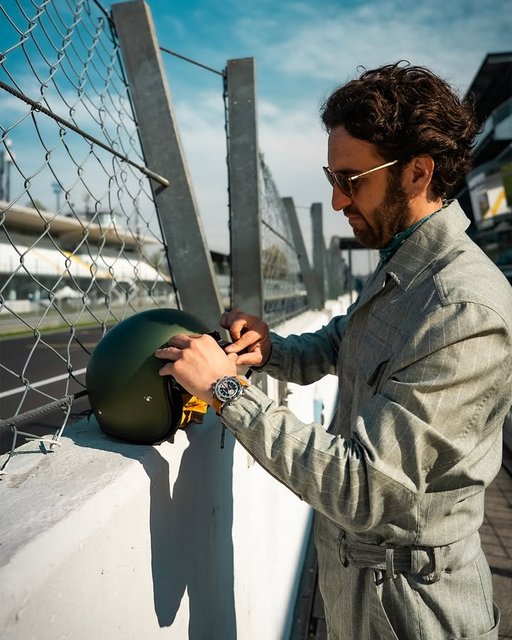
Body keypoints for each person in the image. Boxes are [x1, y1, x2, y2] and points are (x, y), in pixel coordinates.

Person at [155, 62, 512, 639]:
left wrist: (225, 389)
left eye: (352, 179)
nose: (338, 199)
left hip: (413, 611)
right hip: (359, 586)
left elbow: (364, 486)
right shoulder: (404, 265)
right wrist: (266, 349)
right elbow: (339, 343)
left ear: (418, 173)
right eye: (332, 176)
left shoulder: (462, 309)